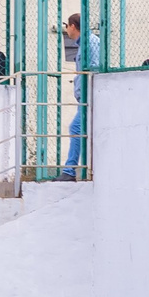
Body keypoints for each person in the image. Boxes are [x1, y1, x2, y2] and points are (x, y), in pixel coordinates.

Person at [62, 12, 98, 176]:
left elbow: (95, 67)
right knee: (80, 129)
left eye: (66, 26)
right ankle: (75, 170)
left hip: (90, 96)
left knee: (76, 128)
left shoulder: (90, 43)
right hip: (85, 96)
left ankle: (70, 171)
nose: (66, 29)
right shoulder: (84, 44)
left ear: (73, 26)